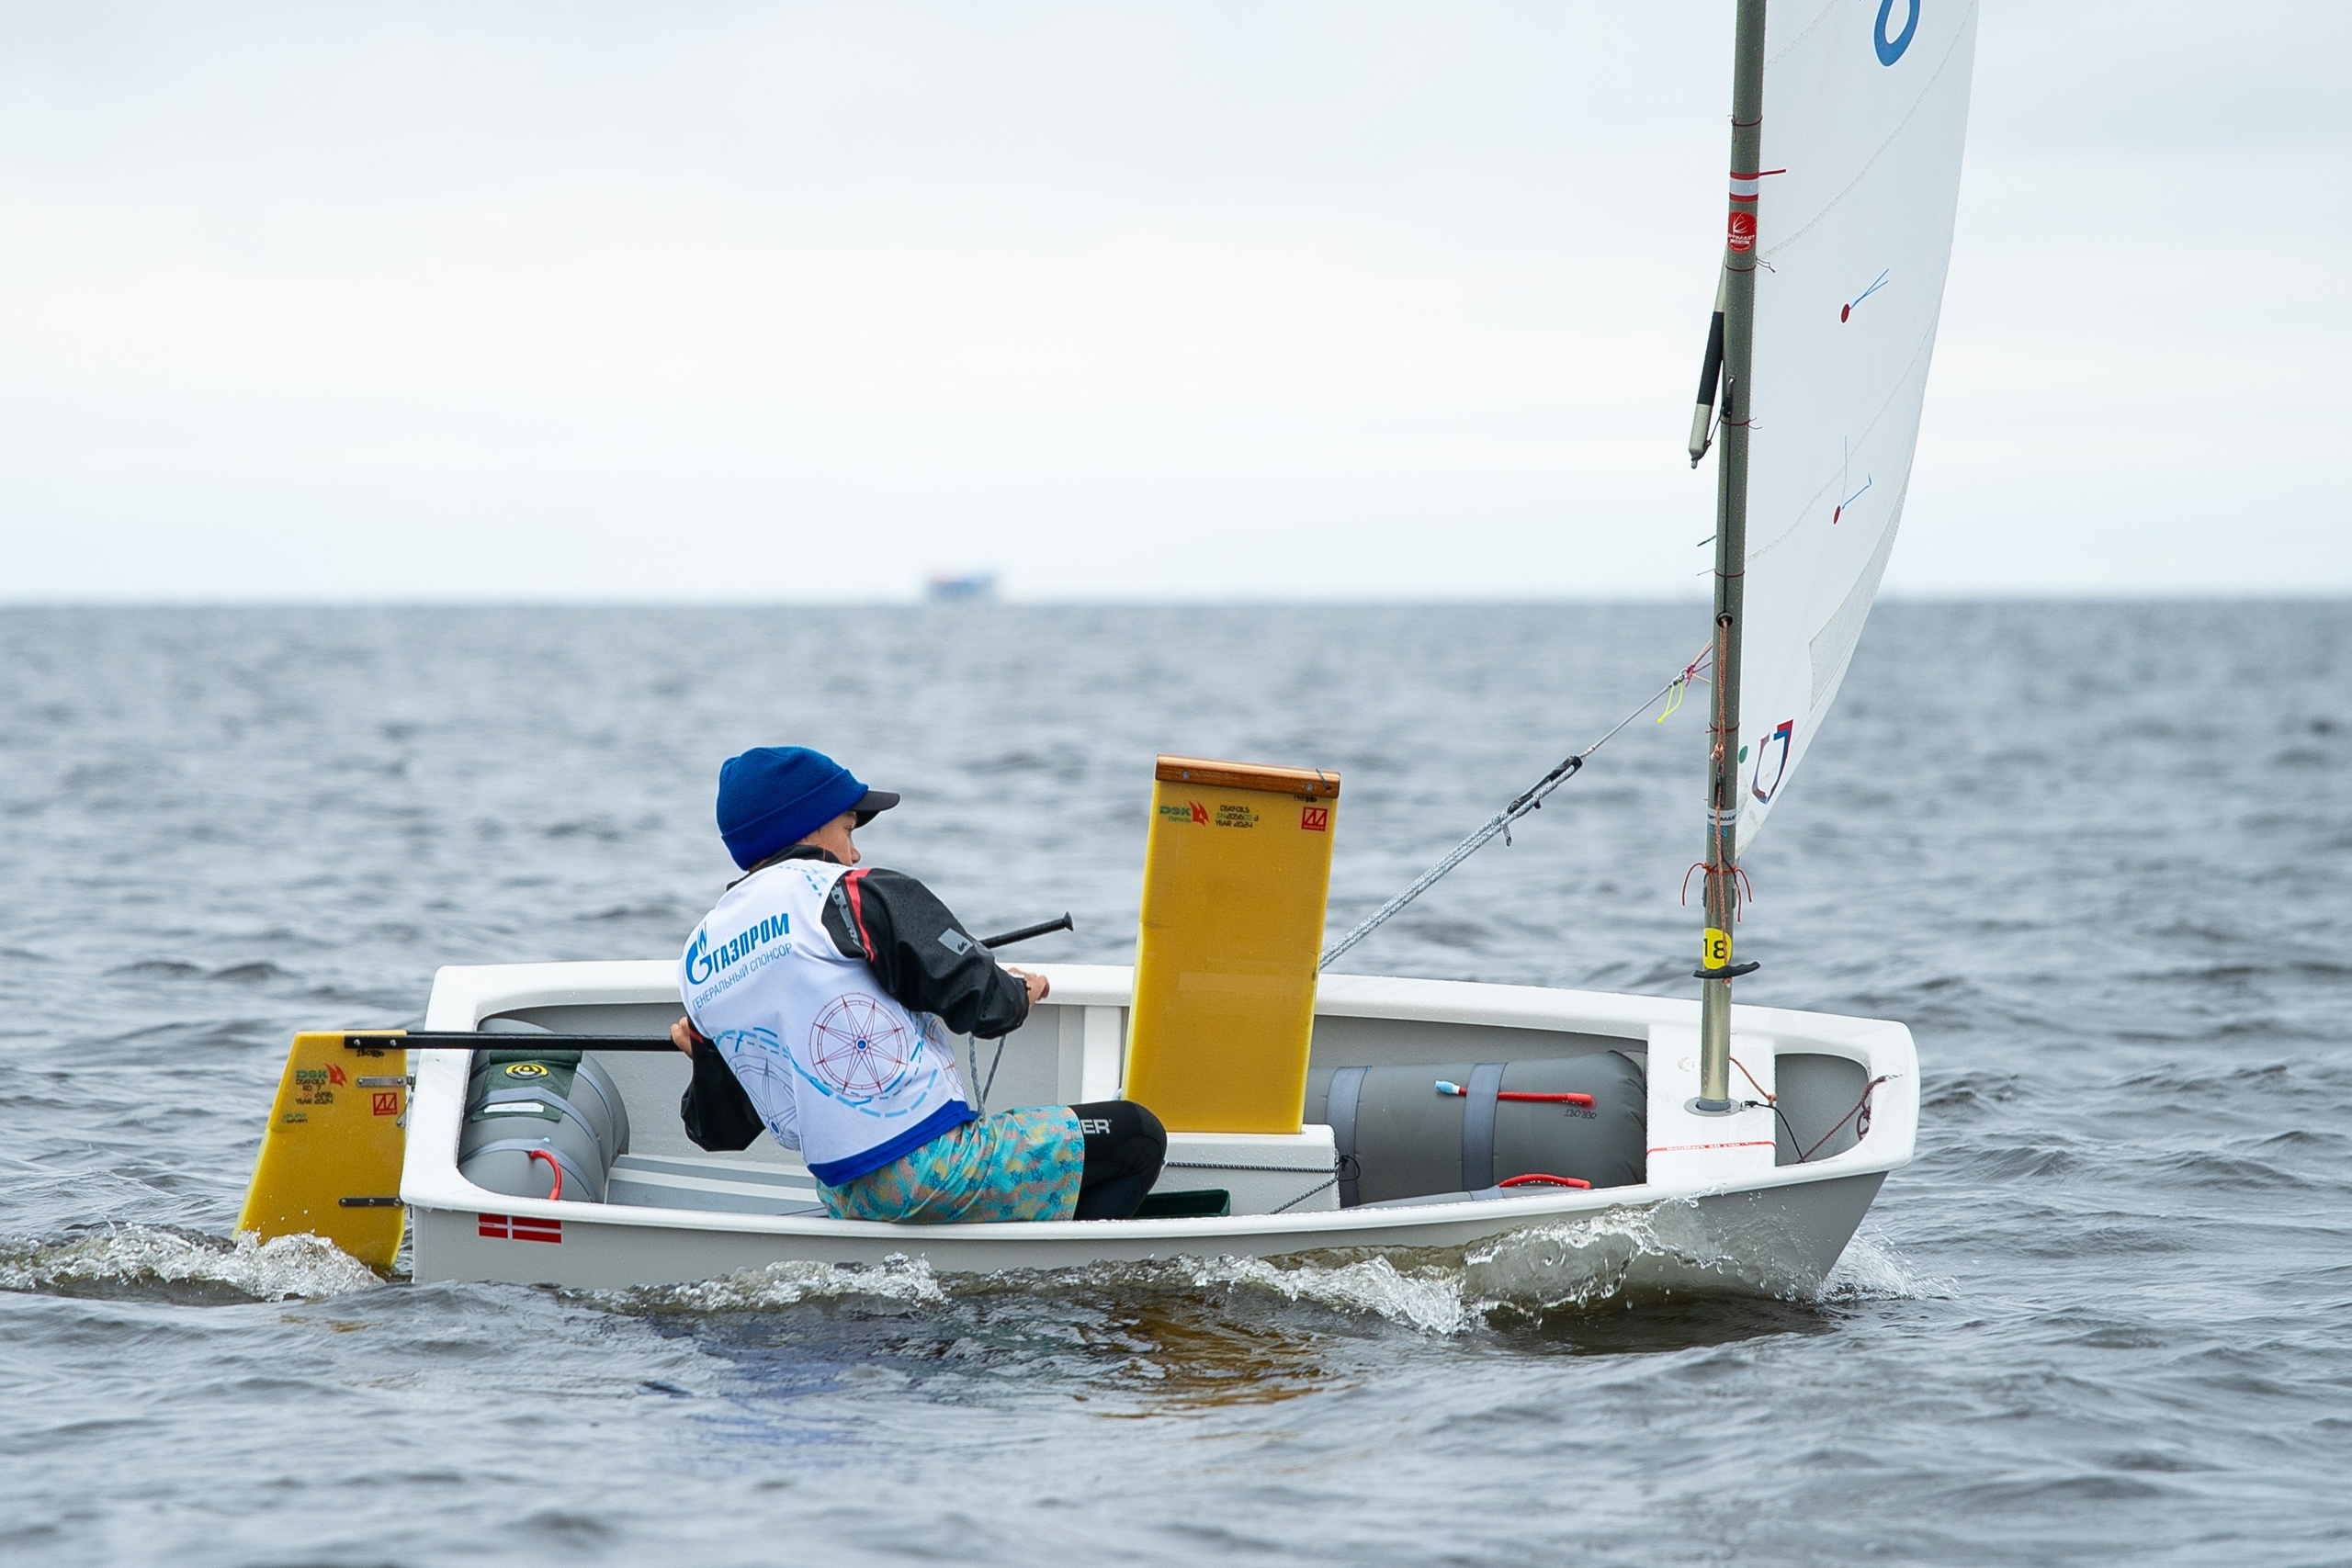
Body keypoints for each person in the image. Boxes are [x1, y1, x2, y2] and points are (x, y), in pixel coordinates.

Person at [669, 744, 1165, 1224]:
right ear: (811, 825)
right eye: (847, 828)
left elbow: (717, 1131)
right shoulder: (850, 895)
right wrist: (1019, 991)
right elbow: (987, 1006)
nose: (855, 849)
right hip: (934, 1174)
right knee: (1137, 1134)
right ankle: (1063, 1275)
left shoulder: (700, 958)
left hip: (844, 1195)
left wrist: (705, 1054)